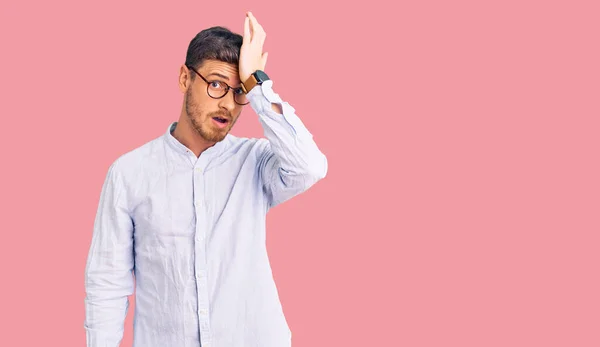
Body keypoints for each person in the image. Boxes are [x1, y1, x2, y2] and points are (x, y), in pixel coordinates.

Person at [83, 12, 327, 347]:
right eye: (216, 85)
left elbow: (309, 166)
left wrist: (257, 84)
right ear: (185, 78)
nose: (228, 103)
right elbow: (106, 283)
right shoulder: (129, 174)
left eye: (238, 91)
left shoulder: (255, 162)